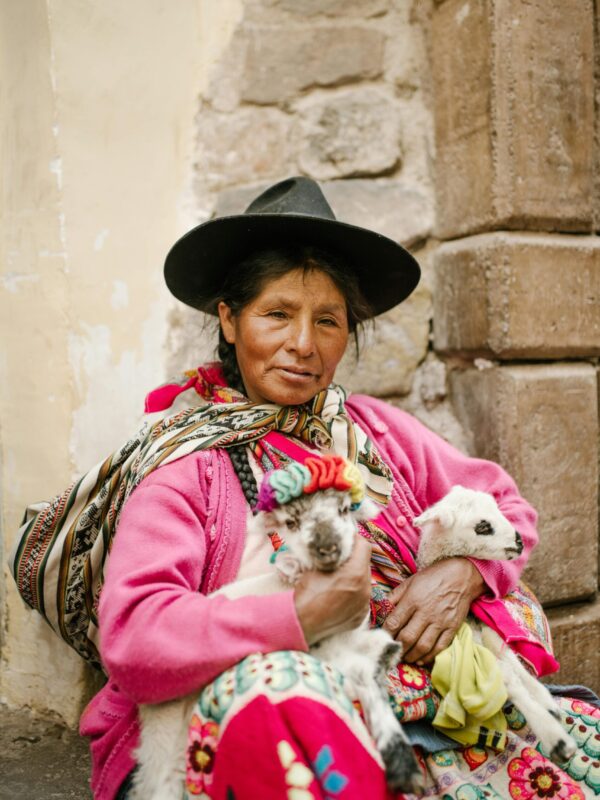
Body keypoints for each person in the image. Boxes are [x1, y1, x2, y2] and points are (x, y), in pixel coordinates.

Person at [80, 177, 599, 800]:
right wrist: (299, 617)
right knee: (280, 698)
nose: (304, 344)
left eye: (327, 321)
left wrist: (462, 574)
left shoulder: (373, 429)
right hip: (253, 727)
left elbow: (508, 510)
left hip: (424, 711)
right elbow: (136, 636)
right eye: (276, 315)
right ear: (228, 317)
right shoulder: (187, 464)